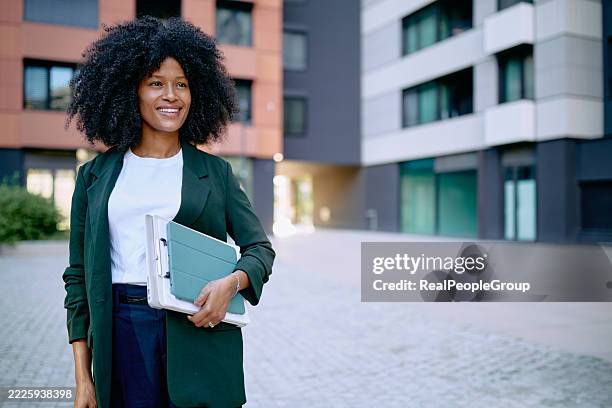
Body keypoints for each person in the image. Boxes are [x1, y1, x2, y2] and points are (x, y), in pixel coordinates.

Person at [62, 16, 275, 408]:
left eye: (182, 84)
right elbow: (77, 279)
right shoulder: (94, 177)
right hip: (123, 332)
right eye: (156, 83)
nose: (171, 95)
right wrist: (83, 379)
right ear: (132, 91)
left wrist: (233, 283)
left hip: (198, 329)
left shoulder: (215, 173)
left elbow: (260, 249)